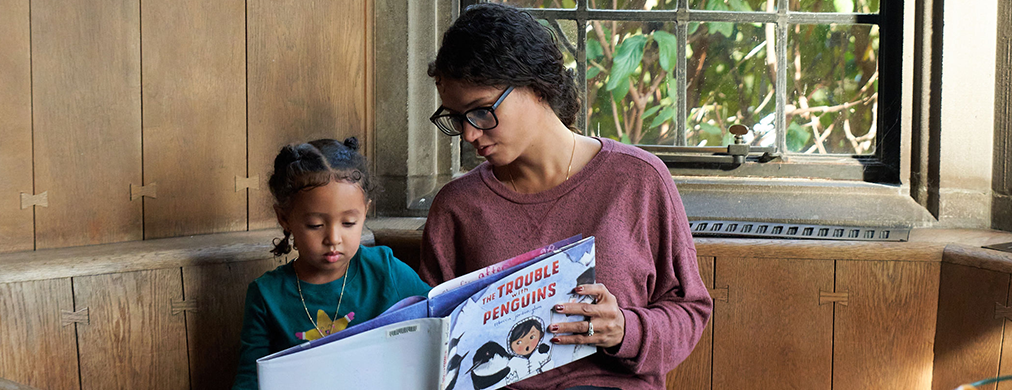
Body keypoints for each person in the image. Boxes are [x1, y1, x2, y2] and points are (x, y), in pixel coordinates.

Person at [418, 3, 712, 390]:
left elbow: (689, 312)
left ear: (536, 87)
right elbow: (429, 343)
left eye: (481, 111)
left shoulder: (637, 180)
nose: (470, 134)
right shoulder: (458, 207)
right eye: (456, 118)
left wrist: (626, 329)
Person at [232, 137, 431, 390]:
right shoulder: (266, 295)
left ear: (365, 212)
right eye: (315, 225)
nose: (334, 239)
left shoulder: (385, 269)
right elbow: (250, 379)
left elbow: (438, 318)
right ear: (284, 218)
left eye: (349, 223)